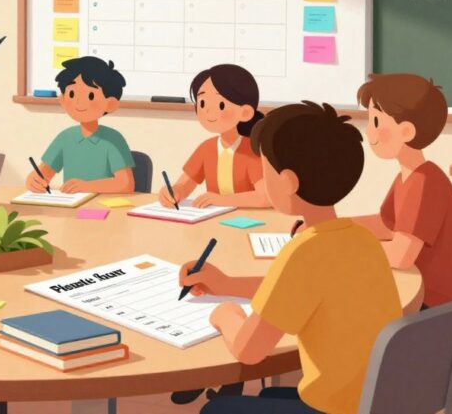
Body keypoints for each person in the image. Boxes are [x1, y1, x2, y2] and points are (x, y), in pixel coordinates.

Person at [182, 102, 402, 414]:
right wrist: (226, 283)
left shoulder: (304, 252)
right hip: (375, 399)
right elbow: (294, 289)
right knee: (264, 398)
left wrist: (226, 314)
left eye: (265, 169)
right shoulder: (362, 239)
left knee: (217, 410)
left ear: (288, 181)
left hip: (335, 408)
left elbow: (248, 350)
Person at [353, 73, 452, 308]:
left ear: (407, 131)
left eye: (376, 122)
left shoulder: (426, 182)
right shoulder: (409, 176)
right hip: (420, 292)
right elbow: (386, 224)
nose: (369, 132)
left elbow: (400, 255)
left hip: (438, 306)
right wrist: (335, 227)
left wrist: (345, 246)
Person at [160, 64, 269, 209]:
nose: (208, 111)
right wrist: (173, 192)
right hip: (214, 217)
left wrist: (221, 200)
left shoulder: (252, 150)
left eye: (221, 105)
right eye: (202, 103)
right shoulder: (207, 148)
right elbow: (185, 184)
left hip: (249, 217)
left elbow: (265, 197)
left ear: (245, 112)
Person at [25, 56, 135, 194]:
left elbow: (126, 184)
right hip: (71, 204)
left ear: (110, 104)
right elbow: (43, 173)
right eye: (72, 94)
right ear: (63, 100)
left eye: (90, 96)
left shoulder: (113, 139)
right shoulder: (65, 138)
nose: (79, 103)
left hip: (102, 204)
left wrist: (86, 186)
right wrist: (33, 180)